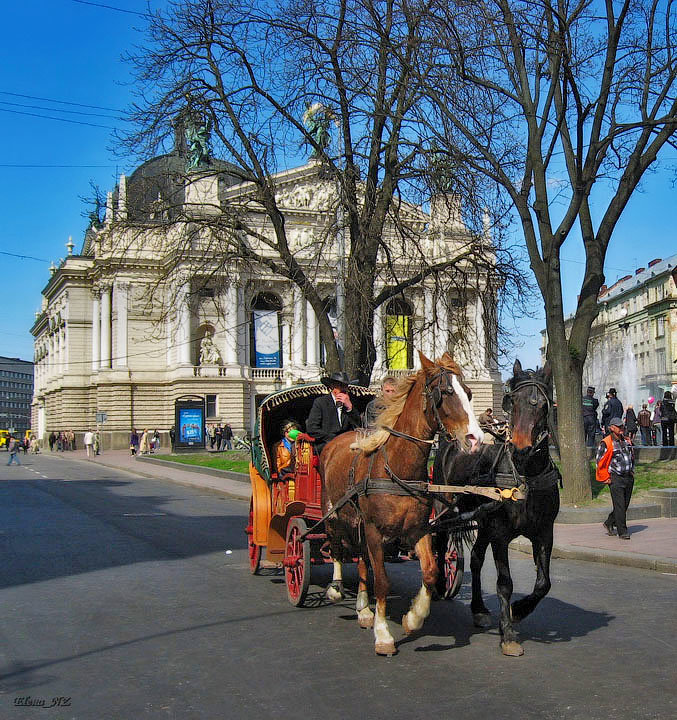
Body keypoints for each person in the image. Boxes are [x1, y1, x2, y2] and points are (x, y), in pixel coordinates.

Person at [596, 417, 635, 540]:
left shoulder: (626, 440)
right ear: (611, 428)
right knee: (620, 506)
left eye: (622, 426)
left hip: (628, 477)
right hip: (615, 478)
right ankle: (622, 531)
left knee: (624, 505)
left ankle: (609, 522)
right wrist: (605, 478)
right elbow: (599, 461)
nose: (621, 428)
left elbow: (631, 456)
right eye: (619, 426)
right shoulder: (606, 442)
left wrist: (632, 470)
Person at [306, 371, 362, 455]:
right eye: (340, 386)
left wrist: (350, 408)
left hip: (348, 444)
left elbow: (358, 426)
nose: (343, 389)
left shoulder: (351, 403)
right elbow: (312, 428)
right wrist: (333, 439)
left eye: (345, 386)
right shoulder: (321, 402)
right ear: (333, 387)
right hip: (326, 444)